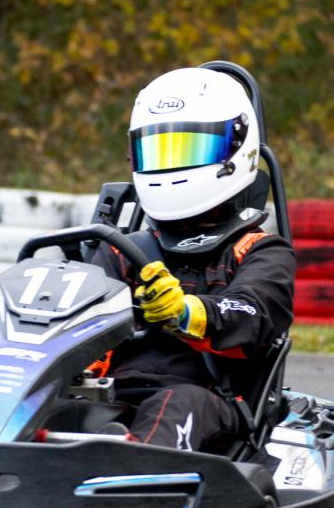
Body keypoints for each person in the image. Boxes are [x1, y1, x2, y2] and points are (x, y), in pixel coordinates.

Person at [93, 67, 295, 452]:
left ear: (236, 149)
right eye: (157, 152)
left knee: (177, 403)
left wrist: (185, 312)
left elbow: (251, 318)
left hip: (210, 397)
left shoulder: (260, 251)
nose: (170, 165)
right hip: (110, 393)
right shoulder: (120, 249)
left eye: (188, 150)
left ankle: (133, 469)